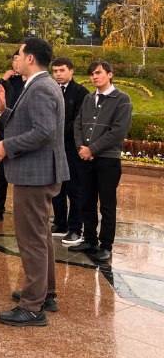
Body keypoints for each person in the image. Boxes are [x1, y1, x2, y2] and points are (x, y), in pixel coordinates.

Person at [0, 37, 69, 327]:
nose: (16, 59)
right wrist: (4, 110)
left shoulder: (40, 88)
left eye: (19, 54)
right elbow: (32, 123)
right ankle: (44, 292)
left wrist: (7, 145)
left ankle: (33, 307)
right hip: (38, 173)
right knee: (41, 235)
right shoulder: (40, 85)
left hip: (35, 175)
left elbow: (44, 132)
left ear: (31, 58)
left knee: (31, 238)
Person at [69, 60, 132, 263]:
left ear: (110, 74)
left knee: (107, 204)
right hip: (85, 159)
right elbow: (77, 124)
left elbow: (117, 132)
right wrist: (81, 148)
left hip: (107, 161)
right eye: (91, 74)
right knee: (86, 200)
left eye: (98, 73)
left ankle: (106, 246)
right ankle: (89, 239)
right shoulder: (88, 98)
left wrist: (92, 149)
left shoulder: (122, 99)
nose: (94, 77)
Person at [50, 57, 90, 244]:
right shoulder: (50, 90)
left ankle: (75, 228)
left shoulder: (81, 92)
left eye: (62, 70)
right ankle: (60, 223)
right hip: (53, 148)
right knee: (57, 187)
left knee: (75, 189)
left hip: (72, 148)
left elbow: (78, 122)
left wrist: (54, 131)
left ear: (71, 71)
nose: (58, 74)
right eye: (55, 71)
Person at [0, 51, 25, 224]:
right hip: (5, 133)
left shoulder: (29, 83)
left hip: (23, 135)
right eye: (14, 60)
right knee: (2, 177)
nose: (16, 63)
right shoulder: (6, 81)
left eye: (19, 60)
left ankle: (23, 214)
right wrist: (2, 79)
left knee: (23, 179)